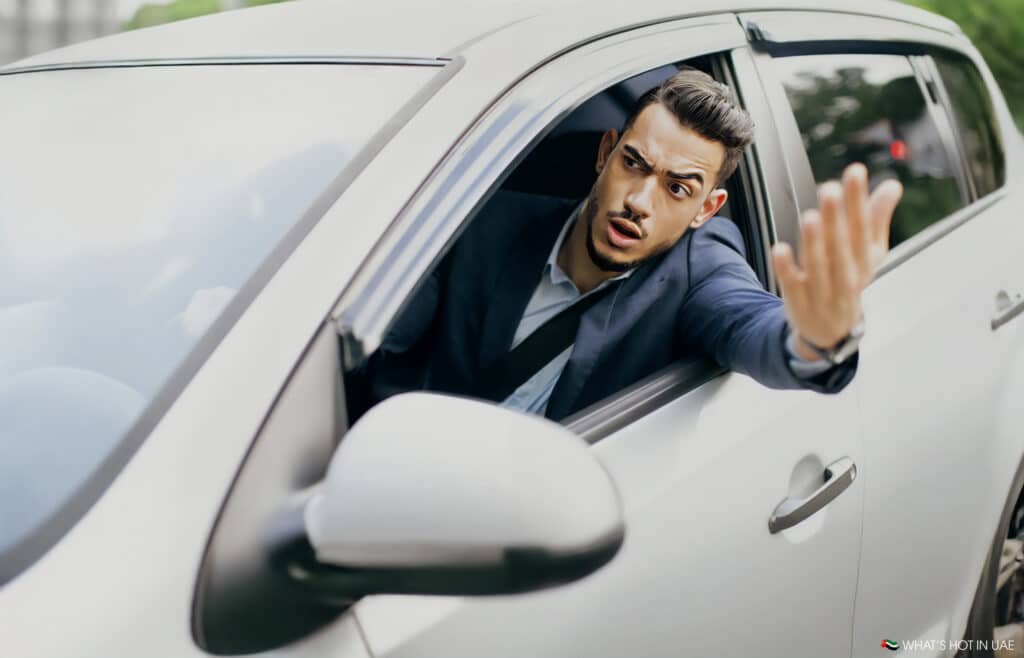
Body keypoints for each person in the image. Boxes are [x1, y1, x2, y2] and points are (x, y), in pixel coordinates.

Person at [358, 67, 903, 422]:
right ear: (606, 153)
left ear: (705, 210)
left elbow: (751, 324)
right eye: (634, 164)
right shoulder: (485, 224)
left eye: (677, 188)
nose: (640, 200)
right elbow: (372, 336)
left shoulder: (701, 268)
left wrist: (818, 338)